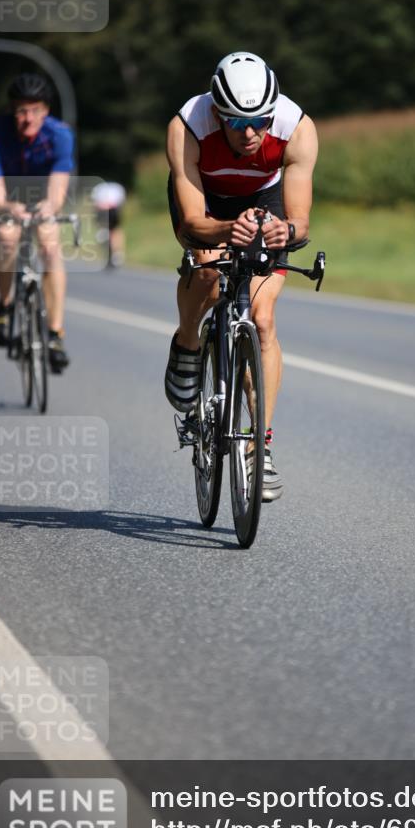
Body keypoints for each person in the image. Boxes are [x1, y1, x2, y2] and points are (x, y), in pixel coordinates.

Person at [165, 51, 318, 502]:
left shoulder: (296, 128)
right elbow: (191, 222)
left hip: (263, 198)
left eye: (259, 122)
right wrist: (227, 229)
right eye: (236, 122)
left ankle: (259, 447)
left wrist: (285, 230)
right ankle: (188, 342)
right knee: (209, 274)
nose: (250, 133)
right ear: (217, 113)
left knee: (263, 320)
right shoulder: (188, 126)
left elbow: (300, 222)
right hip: (206, 203)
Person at [0, 73, 75, 372]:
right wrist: (10, 208)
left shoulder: (59, 135)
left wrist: (48, 207)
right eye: (21, 110)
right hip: (6, 194)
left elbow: (58, 189)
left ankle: (55, 334)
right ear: (12, 111)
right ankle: (5, 305)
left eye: (35, 110)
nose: (28, 118)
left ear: (46, 111)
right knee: (7, 237)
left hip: (43, 194)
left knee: (50, 246)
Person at [91, 181, 127, 268]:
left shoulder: (99, 188)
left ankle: (104, 236)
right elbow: (121, 204)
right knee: (115, 231)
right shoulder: (117, 187)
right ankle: (117, 253)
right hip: (112, 211)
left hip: (106, 212)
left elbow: (95, 204)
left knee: (111, 230)